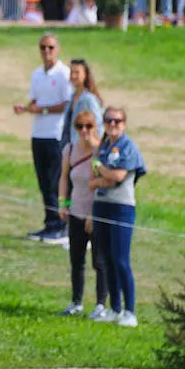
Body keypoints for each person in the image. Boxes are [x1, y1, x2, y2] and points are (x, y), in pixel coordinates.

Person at [12, 32, 72, 244]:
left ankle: (61, 224)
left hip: (55, 134)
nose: (46, 52)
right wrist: (26, 108)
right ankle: (50, 223)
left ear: (58, 50)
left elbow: (67, 103)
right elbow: (36, 98)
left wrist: (43, 110)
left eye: (50, 48)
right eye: (43, 48)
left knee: (56, 181)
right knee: (44, 182)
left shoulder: (64, 74)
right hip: (39, 133)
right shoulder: (37, 74)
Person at [90, 108, 146, 327]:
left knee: (121, 259)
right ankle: (114, 308)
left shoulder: (128, 147)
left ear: (124, 123)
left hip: (121, 207)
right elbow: (95, 177)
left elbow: (118, 176)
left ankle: (130, 311)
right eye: (108, 120)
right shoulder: (104, 146)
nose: (113, 124)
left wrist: (102, 173)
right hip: (101, 205)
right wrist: (103, 177)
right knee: (107, 258)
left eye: (117, 121)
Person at [58, 109, 108, 317]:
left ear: (95, 127)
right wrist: (63, 202)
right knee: (76, 260)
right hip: (75, 211)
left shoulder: (100, 152)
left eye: (88, 126)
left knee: (99, 260)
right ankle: (76, 301)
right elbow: (64, 177)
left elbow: (101, 186)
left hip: (95, 213)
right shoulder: (70, 150)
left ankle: (100, 305)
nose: (84, 131)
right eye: (80, 126)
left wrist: (92, 215)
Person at [61, 59, 104, 146]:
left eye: (77, 72)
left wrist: (94, 145)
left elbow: (99, 125)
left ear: (85, 75)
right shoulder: (71, 99)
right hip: (70, 148)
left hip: (84, 148)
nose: (73, 75)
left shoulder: (89, 99)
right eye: (71, 72)